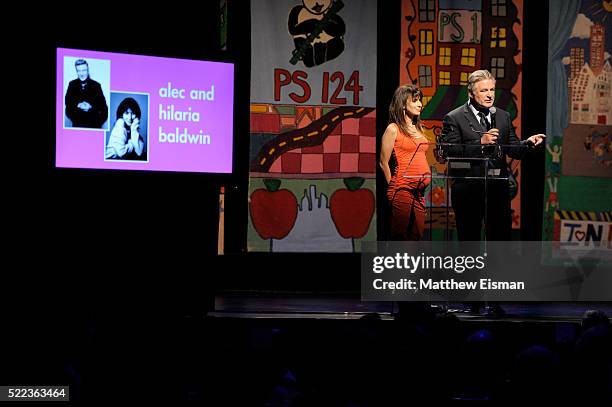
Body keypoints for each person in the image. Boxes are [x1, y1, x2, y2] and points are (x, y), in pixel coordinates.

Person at [440, 69, 545, 315]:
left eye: (491, 90)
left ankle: (495, 299)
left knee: (499, 244)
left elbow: (513, 149)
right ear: (471, 93)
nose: (489, 95)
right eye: (483, 91)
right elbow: (451, 153)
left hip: (497, 189)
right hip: (468, 189)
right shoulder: (454, 117)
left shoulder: (503, 116)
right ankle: (471, 300)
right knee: (470, 245)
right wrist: (481, 143)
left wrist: (527, 144)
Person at [380, 84, 431, 240]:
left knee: (417, 234)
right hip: (402, 189)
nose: (420, 104)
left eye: (420, 100)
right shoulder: (393, 129)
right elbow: (383, 162)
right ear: (402, 103)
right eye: (415, 100)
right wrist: (393, 191)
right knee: (401, 236)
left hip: (418, 192)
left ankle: (412, 264)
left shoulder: (419, 129)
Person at [65, 59, 108, 128]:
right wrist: (77, 105)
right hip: (77, 126)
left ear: (88, 70)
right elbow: (68, 107)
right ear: (76, 72)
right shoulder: (72, 85)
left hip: (93, 126)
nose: (81, 74)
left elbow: (104, 109)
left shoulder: (96, 86)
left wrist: (91, 107)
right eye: (79, 71)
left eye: (84, 70)